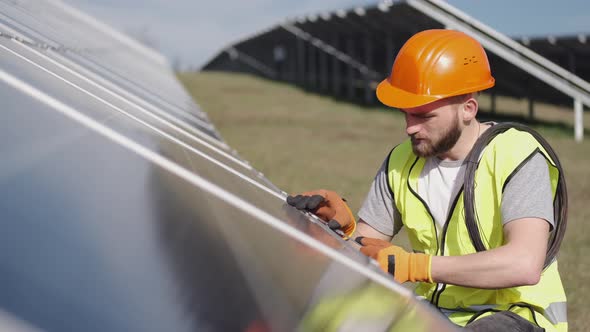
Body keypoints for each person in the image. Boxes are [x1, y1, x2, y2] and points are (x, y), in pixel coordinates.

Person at [287, 29, 567, 331]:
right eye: (406, 114)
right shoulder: (401, 160)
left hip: (517, 315)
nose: (410, 128)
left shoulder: (517, 154)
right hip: (436, 314)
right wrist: (341, 230)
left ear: (468, 109)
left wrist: (417, 267)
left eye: (423, 115)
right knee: (324, 316)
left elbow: (524, 264)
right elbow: (369, 248)